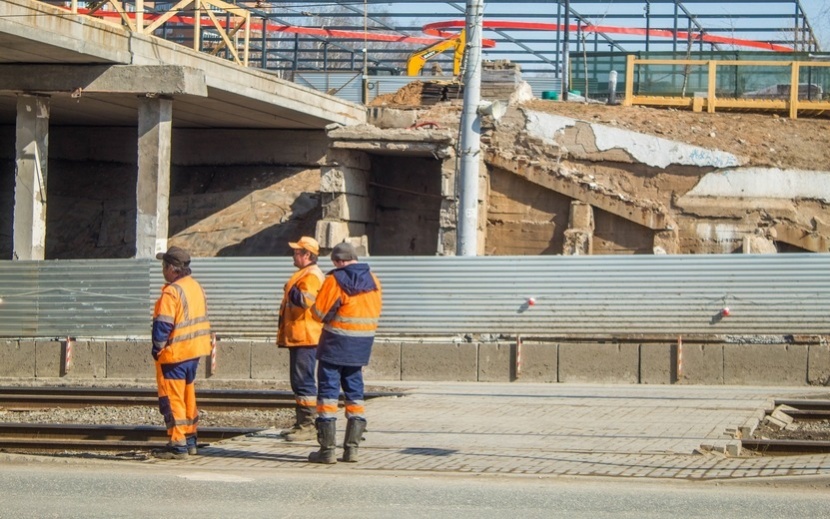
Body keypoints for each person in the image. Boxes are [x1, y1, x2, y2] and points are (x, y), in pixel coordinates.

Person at [307, 242, 382, 464]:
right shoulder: (374, 280)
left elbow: (318, 313)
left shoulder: (334, 280)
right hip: (361, 346)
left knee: (328, 394)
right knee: (355, 392)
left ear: (338, 261)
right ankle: (352, 450)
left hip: (334, 344)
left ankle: (327, 451)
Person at [151, 246, 213, 460]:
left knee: (174, 398)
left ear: (172, 269)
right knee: (188, 397)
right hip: (194, 352)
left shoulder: (172, 291)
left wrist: (157, 348)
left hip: (175, 353)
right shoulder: (195, 287)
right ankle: (190, 439)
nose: (162, 270)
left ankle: (178, 444)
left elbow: (163, 325)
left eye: (163, 266)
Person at [277, 236, 325, 441]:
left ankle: (308, 425)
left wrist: (293, 290)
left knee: (303, 381)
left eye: (297, 252)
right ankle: (302, 422)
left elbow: (306, 301)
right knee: (298, 381)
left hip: (306, 336)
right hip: (300, 335)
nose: (294, 255)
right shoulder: (305, 273)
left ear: (307, 255)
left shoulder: (312, 275)